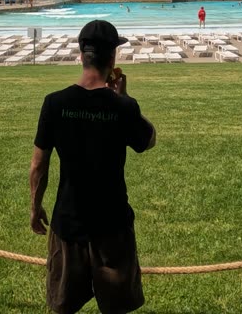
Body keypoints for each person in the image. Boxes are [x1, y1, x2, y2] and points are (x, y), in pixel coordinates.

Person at [31, 20, 156, 314]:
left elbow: (38, 165)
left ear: (81, 55)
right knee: (116, 307)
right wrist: (123, 98)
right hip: (112, 226)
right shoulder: (123, 107)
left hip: (67, 224)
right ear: (113, 59)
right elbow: (149, 140)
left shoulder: (55, 103)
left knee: (63, 306)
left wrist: (35, 208)